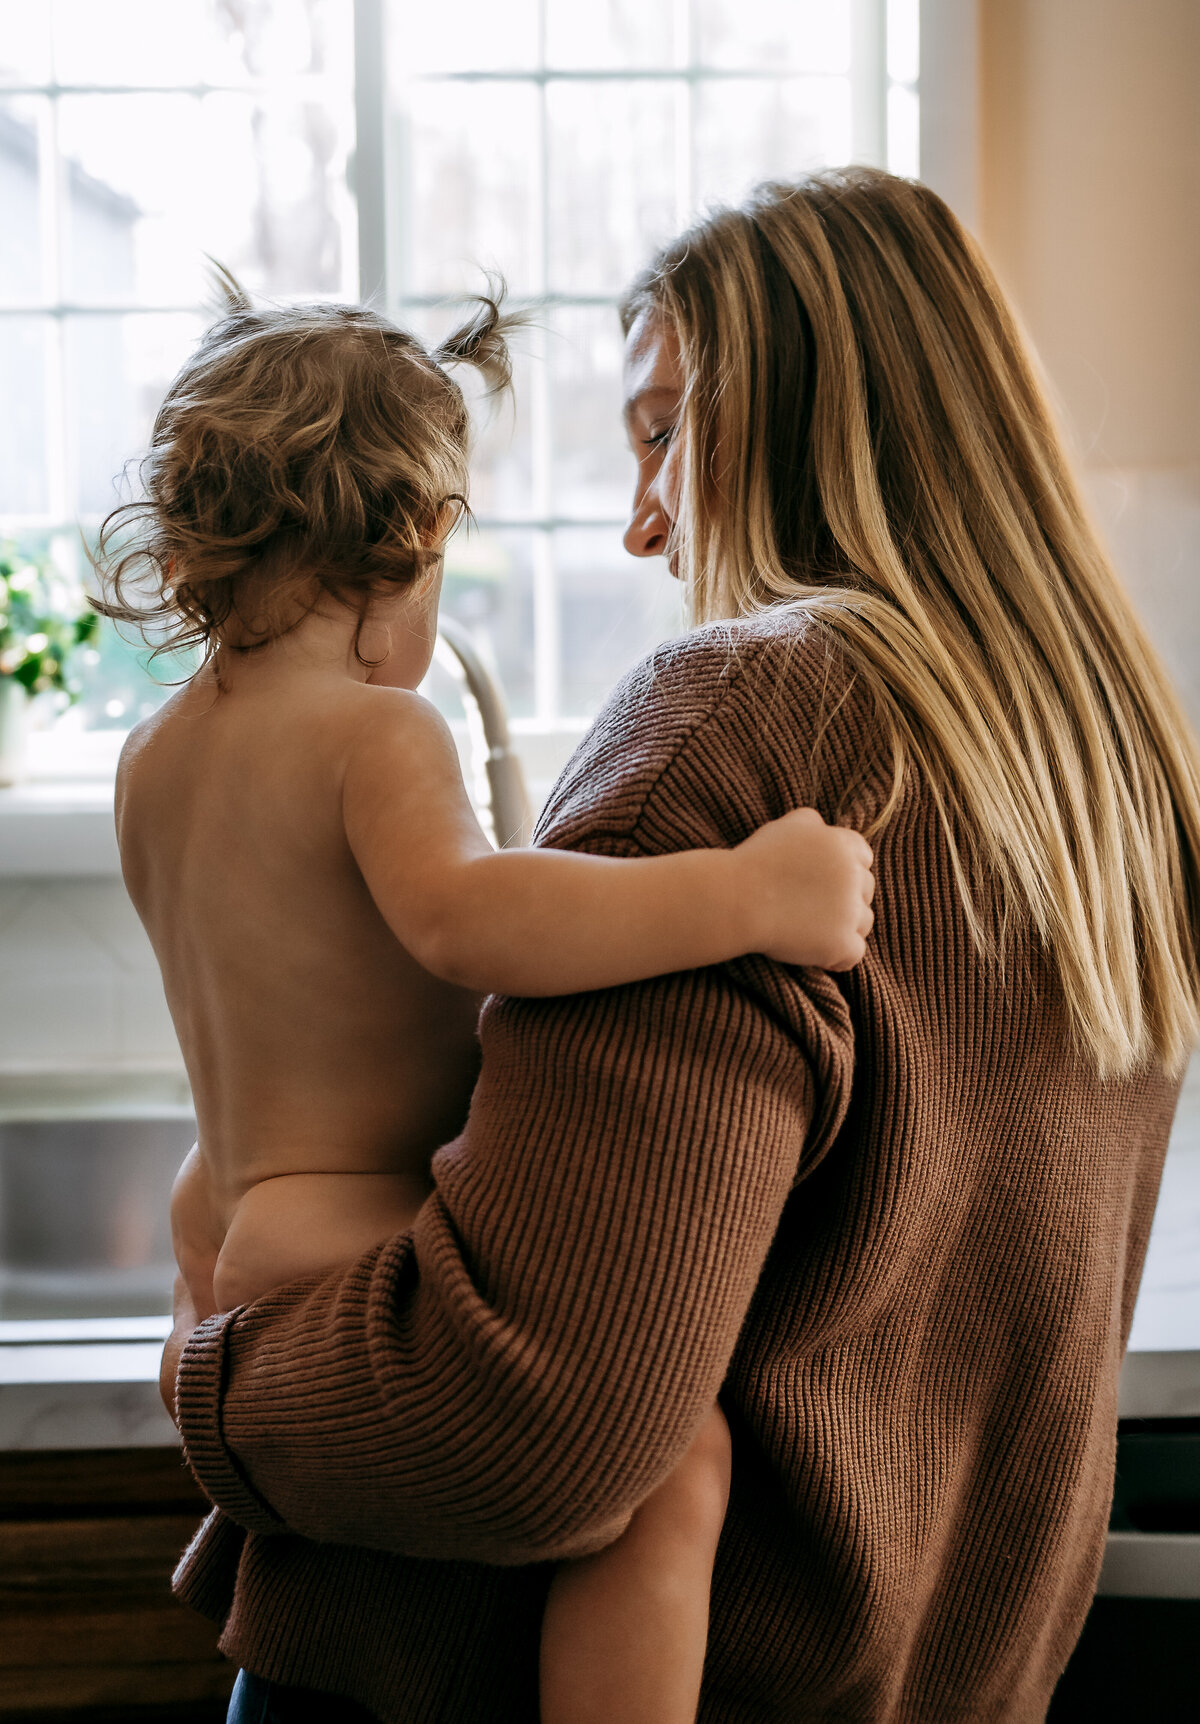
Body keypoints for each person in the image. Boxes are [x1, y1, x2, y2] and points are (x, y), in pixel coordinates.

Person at [162, 169, 1200, 1724]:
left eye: (662, 431)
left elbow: (530, 1429)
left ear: (800, 406)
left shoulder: (746, 713)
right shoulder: (1114, 772)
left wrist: (211, 1383)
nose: (646, 526)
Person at [93, 278, 874, 1724]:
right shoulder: (378, 730)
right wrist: (754, 896)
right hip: (356, 1207)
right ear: (413, 539)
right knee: (676, 1462)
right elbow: (470, 922)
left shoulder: (156, 755)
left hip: (231, 1215)